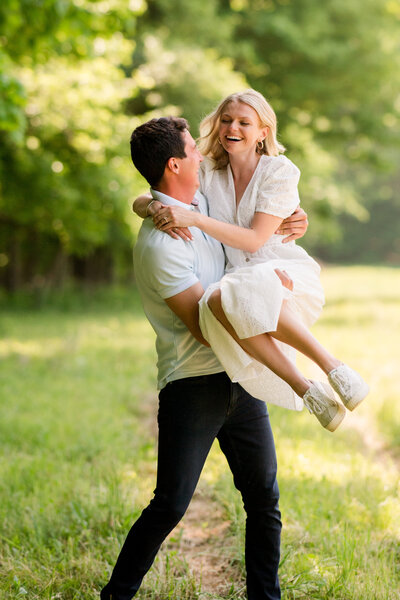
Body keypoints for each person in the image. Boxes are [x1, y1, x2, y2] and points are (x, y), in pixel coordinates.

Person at [100, 116, 308, 600]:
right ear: (174, 163)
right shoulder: (161, 245)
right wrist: (267, 320)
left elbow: (252, 218)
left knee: (264, 499)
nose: (201, 154)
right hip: (194, 383)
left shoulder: (200, 202)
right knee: (170, 503)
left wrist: (293, 219)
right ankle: (116, 594)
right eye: (192, 149)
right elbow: (205, 328)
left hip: (239, 375)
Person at [134, 90, 369, 432]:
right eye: (227, 120)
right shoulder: (211, 170)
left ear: (263, 132)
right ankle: (309, 391)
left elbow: (257, 240)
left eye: (245, 122)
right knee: (215, 300)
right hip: (236, 279)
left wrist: (195, 220)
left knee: (239, 291)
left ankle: (334, 368)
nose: (233, 127)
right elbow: (161, 185)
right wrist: (150, 206)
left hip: (280, 267)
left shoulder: (279, 171)